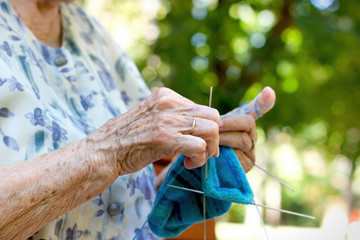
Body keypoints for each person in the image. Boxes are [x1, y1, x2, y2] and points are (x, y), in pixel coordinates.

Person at [0, 0, 276, 239]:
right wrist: (109, 151)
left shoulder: (90, 34)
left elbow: (120, 196)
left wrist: (184, 176)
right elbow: (114, 153)